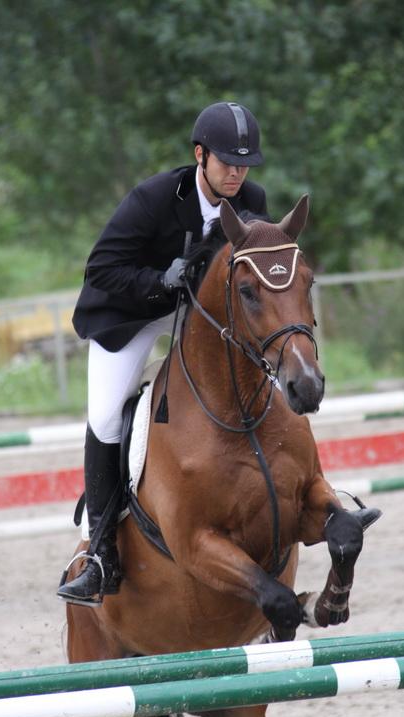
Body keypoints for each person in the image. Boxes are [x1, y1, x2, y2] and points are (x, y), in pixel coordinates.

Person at [57, 101, 268, 606]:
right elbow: (101, 269)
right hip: (131, 313)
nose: (237, 174)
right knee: (108, 416)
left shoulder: (252, 200)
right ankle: (101, 554)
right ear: (200, 155)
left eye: (245, 165)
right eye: (227, 162)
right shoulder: (152, 198)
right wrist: (159, 280)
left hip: (196, 316)